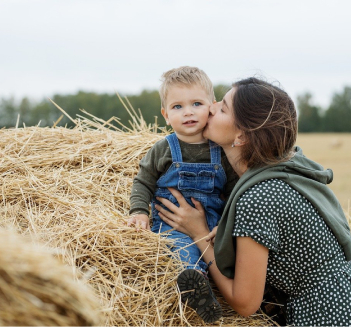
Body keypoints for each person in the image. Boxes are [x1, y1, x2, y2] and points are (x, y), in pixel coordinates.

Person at [155, 77, 351, 326]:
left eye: (223, 108)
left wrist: (200, 234)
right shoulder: (284, 171)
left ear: (242, 136)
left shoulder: (259, 197)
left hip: (325, 316)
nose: (211, 107)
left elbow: (246, 303)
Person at [127, 66, 238, 323]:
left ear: (211, 106)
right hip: (173, 225)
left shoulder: (221, 150)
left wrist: (224, 224)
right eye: (177, 107)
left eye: (196, 103)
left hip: (213, 224)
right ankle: (197, 288)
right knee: (182, 252)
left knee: (231, 255)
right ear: (166, 115)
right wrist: (140, 211)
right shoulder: (163, 149)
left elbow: (234, 192)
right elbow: (143, 181)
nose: (187, 112)